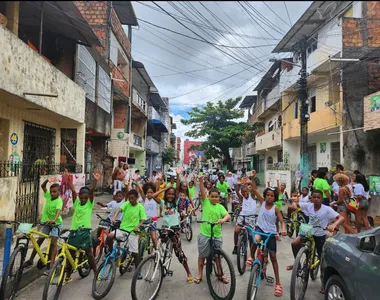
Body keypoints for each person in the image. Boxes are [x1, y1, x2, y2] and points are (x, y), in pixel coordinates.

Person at [286, 190, 345, 293]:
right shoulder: (308, 206)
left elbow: (341, 218)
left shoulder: (327, 209)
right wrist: (294, 205)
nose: (316, 199)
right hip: (308, 229)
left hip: (320, 232)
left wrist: (334, 225)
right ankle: (297, 265)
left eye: (318, 197)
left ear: (321, 199)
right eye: (314, 197)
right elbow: (295, 203)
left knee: (322, 258)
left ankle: (323, 283)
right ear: (311, 198)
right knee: (294, 243)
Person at [248, 170, 287, 297]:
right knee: (255, 238)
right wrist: (252, 178)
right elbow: (254, 190)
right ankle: (251, 256)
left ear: (275, 197)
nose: (269, 197)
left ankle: (278, 284)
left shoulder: (276, 208)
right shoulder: (262, 202)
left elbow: (281, 220)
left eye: (272, 196)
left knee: (273, 257)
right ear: (265, 196)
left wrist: (283, 228)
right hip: (260, 229)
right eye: (268, 195)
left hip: (270, 233)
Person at [65, 172, 101, 283]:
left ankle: (96, 273)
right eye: (82, 198)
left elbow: (91, 192)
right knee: (69, 254)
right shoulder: (76, 203)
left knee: (90, 254)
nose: (83, 200)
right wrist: (68, 179)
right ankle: (68, 275)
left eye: (85, 198)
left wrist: (95, 181)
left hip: (85, 233)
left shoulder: (89, 205)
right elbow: (73, 191)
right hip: (74, 232)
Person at [194, 175, 231, 284]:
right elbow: (202, 190)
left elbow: (227, 216)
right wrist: (201, 181)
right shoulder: (205, 202)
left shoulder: (220, 207)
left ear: (219, 198)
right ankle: (200, 273)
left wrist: (223, 220)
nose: (215, 198)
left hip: (216, 235)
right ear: (208, 196)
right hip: (204, 234)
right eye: (212, 196)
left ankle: (220, 274)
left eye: (216, 197)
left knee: (217, 257)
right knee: (202, 255)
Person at [23, 177, 63, 274]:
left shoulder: (59, 201)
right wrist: (47, 181)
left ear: (59, 192)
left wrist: (54, 219)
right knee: (39, 241)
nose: (52, 193)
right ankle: (31, 260)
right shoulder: (49, 196)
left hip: (56, 224)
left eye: (54, 192)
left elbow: (58, 211)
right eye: (51, 191)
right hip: (46, 223)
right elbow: (42, 186)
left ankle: (52, 266)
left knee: (54, 242)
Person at [110, 189, 147, 279]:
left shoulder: (140, 207)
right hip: (123, 229)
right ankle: (111, 253)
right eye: (129, 198)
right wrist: (114, 217)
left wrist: (137, 226)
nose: (130, 200)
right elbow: (119, 209)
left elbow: (143, 219)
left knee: (135, 252)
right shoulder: (127, 204)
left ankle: (138, 271)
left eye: (132, 198)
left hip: (133, 232)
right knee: (109, 236)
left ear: (137, 198)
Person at [160, 186, 193, 283]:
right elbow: (153, 195)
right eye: (168, 193)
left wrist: (178, 175)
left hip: (174, 228)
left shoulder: (176, 202)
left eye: (172, 194)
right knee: (158, 241)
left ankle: (188, 273)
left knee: (179, 252)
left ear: (175, 195)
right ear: (166, 194)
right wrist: (163, 189)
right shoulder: (163, 202)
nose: (170, 195)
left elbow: (178, 188)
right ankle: (158, 257)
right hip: (165, 227)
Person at [232, 180, 257, 255]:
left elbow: (254, 189)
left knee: (251, 237)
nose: (244, 193)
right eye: (243, 192)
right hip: (242, 216)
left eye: (246, 191)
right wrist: (238, 185)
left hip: (251, 218)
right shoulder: (242, 198)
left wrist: (252, 180)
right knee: (236, 231)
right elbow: (237, 191)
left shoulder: (252, 196)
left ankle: (252, 255)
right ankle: (236, 246)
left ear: (249, 191)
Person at [140, 180, 167, 249]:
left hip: (153, 221)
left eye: (151, 192)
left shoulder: (155, 199)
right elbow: (140, 190)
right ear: (146, 192)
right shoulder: (144, 199)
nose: (150, 194)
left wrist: (158, 180)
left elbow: (157, 190)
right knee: (140, 237)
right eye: (148, 192)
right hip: (144, 220)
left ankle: (156, 251)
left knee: (154, 238)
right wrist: (136, 182)